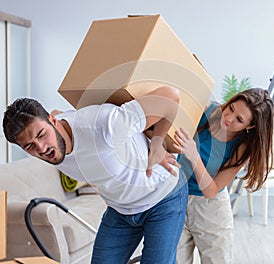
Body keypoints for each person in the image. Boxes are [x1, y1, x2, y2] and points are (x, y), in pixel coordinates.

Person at [2, 86, 188, 264]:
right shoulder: (55, 130)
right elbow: (60, 112)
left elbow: (170, 95)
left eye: (42, 135)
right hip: (121, 209)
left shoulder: (104, 124)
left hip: (163, 197)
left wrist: (157, 142)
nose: (41, 148)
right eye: (30, 146)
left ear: (52, 121)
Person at [173, 88, 274, 264]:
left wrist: (193, 155)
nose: (228, 118)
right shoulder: (207, 112)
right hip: (176, 198)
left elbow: (210, 191)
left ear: (250, 127)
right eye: (231, 108)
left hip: (210, 209)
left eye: (239, 120)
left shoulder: (242, 147)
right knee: (174, 260)